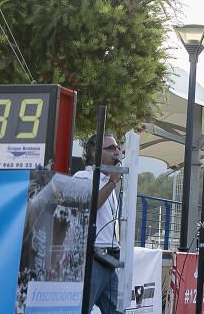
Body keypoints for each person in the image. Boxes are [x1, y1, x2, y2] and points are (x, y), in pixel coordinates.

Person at [73, 133, 123, 314]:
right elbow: (90, 207)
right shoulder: (82, 177)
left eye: (118, 147)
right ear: (94, 153)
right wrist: (111, 182)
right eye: (111, 148)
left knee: (113, 310)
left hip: (110, 257)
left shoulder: (109, 181)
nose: (117, 151)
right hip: (93, 256)